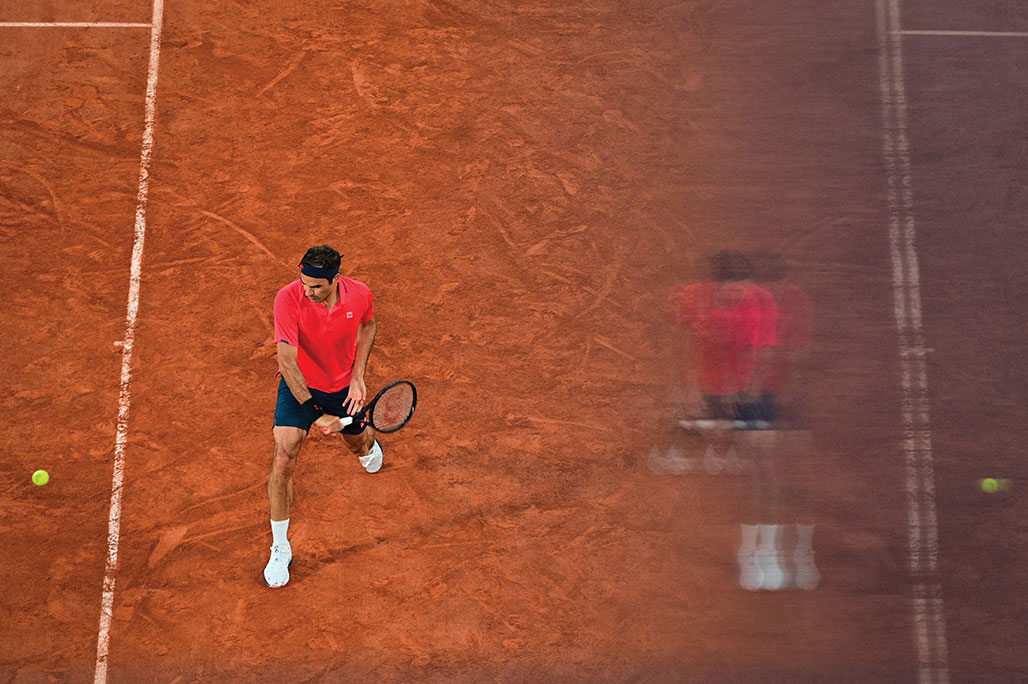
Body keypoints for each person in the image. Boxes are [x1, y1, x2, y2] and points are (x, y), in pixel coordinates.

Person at [264, 245, 382, 588]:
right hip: (299, 385)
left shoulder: (359, 294)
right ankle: (280, 546)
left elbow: (369, 326)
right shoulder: (288, 298)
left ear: (335, 280)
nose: (308, 291)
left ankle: (369, 448)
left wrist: (358, 376)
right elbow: (287, 360)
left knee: (360, 445)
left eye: (316, 286)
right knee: (284, 455)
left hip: (343, 386)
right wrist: (316, 415)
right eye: (304, 284)